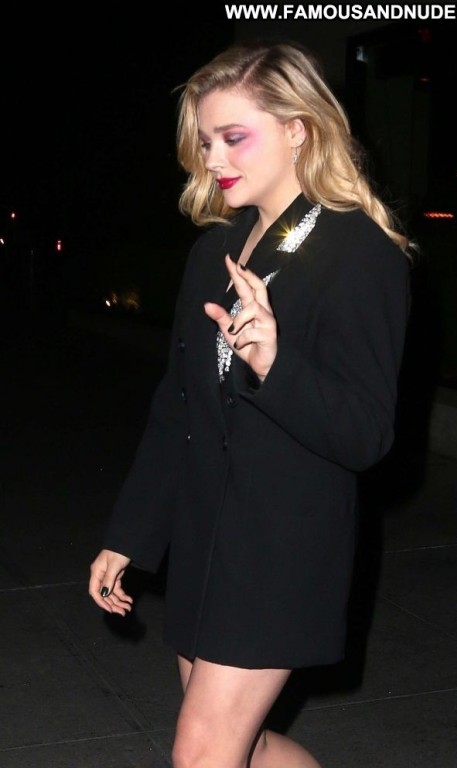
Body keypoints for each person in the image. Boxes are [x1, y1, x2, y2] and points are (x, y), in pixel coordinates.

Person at [89, 39, 412, 768]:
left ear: (298, 129)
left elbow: (366, 434)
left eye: (234, 137)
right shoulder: (214, 252)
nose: (214, 158)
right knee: (248, 749)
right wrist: (131, 532)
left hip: (282, 550)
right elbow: (177, 409)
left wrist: (273, 363)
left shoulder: (359, 253)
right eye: (206, 142)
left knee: (203, 755)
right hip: (205, 539)